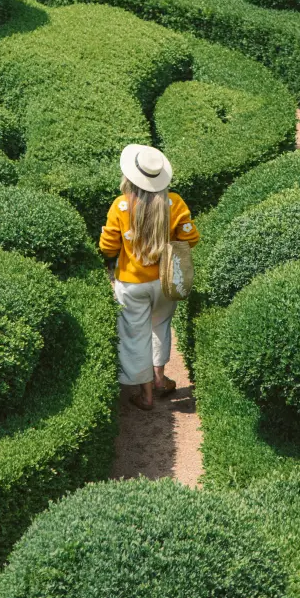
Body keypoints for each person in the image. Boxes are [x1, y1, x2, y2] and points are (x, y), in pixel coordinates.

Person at [99, 144, 200, 411]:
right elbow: (192, 238)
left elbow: (107, 247)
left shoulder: (120, 205)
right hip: (165, 281)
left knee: (135, 334)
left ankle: (145, 395)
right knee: (160, 327)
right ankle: (159, 379)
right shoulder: (174, 202)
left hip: (131, 283)